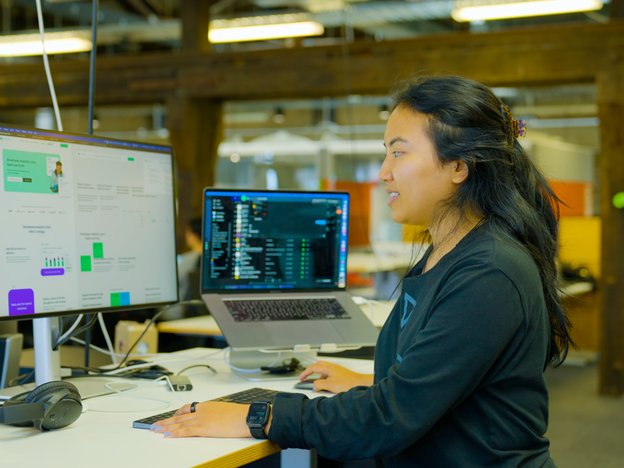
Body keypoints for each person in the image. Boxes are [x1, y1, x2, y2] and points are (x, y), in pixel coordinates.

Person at [151, 76, 572, 467]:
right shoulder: (443, 253)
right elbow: (423, 382)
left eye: (399, 152)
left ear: (458, 167)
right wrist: (370, 384)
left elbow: (386, 421)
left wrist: (260, 416)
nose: (383, 171)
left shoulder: (489, 272)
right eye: (385, 152)